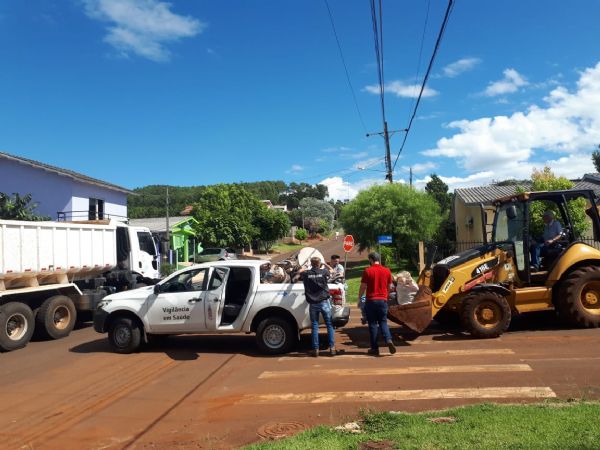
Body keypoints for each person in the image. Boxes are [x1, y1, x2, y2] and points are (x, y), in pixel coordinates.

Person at [295, 256, 337, 357]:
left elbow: (298, 273)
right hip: (324, 302)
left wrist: (305, 267)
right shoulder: (323, 272)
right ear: (319, 264)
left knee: (314, 325)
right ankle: (332, 348)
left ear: (311, 263)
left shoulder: (307, 273)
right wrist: (325, 264)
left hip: (313, 303)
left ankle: (316, 349)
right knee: (329, 324)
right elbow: (332, 271)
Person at [358, 252, 396, 356]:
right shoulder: (387, 270)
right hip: (383, 300)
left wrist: (359, 297)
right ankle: (388, 339)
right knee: (383, 322)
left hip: (371, 301)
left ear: (370, 259)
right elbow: (390, 286)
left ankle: (374, 348)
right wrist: (386, 295)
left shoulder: (368, 270)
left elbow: (363, 286)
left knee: (373, 324)